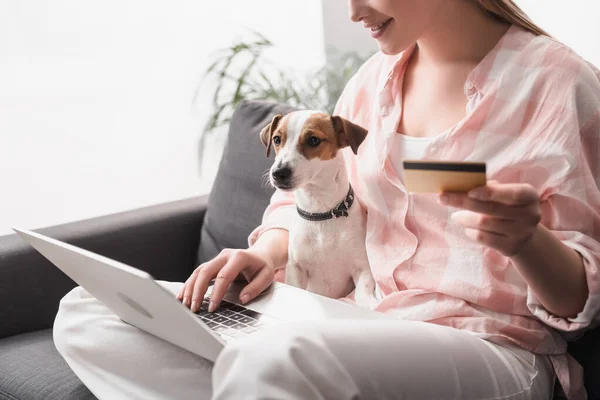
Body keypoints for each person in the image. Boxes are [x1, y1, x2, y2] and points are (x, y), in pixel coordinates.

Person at [54, 0, 600, 399]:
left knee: (278, 359)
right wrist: (266, 256)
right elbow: (308, 200)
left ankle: (259, 378)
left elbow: (579, 301)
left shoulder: (560, 84)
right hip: (346, 320)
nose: (354, 11)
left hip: (485, 347)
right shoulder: (372, 82)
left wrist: (527, 241)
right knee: (91, 311)